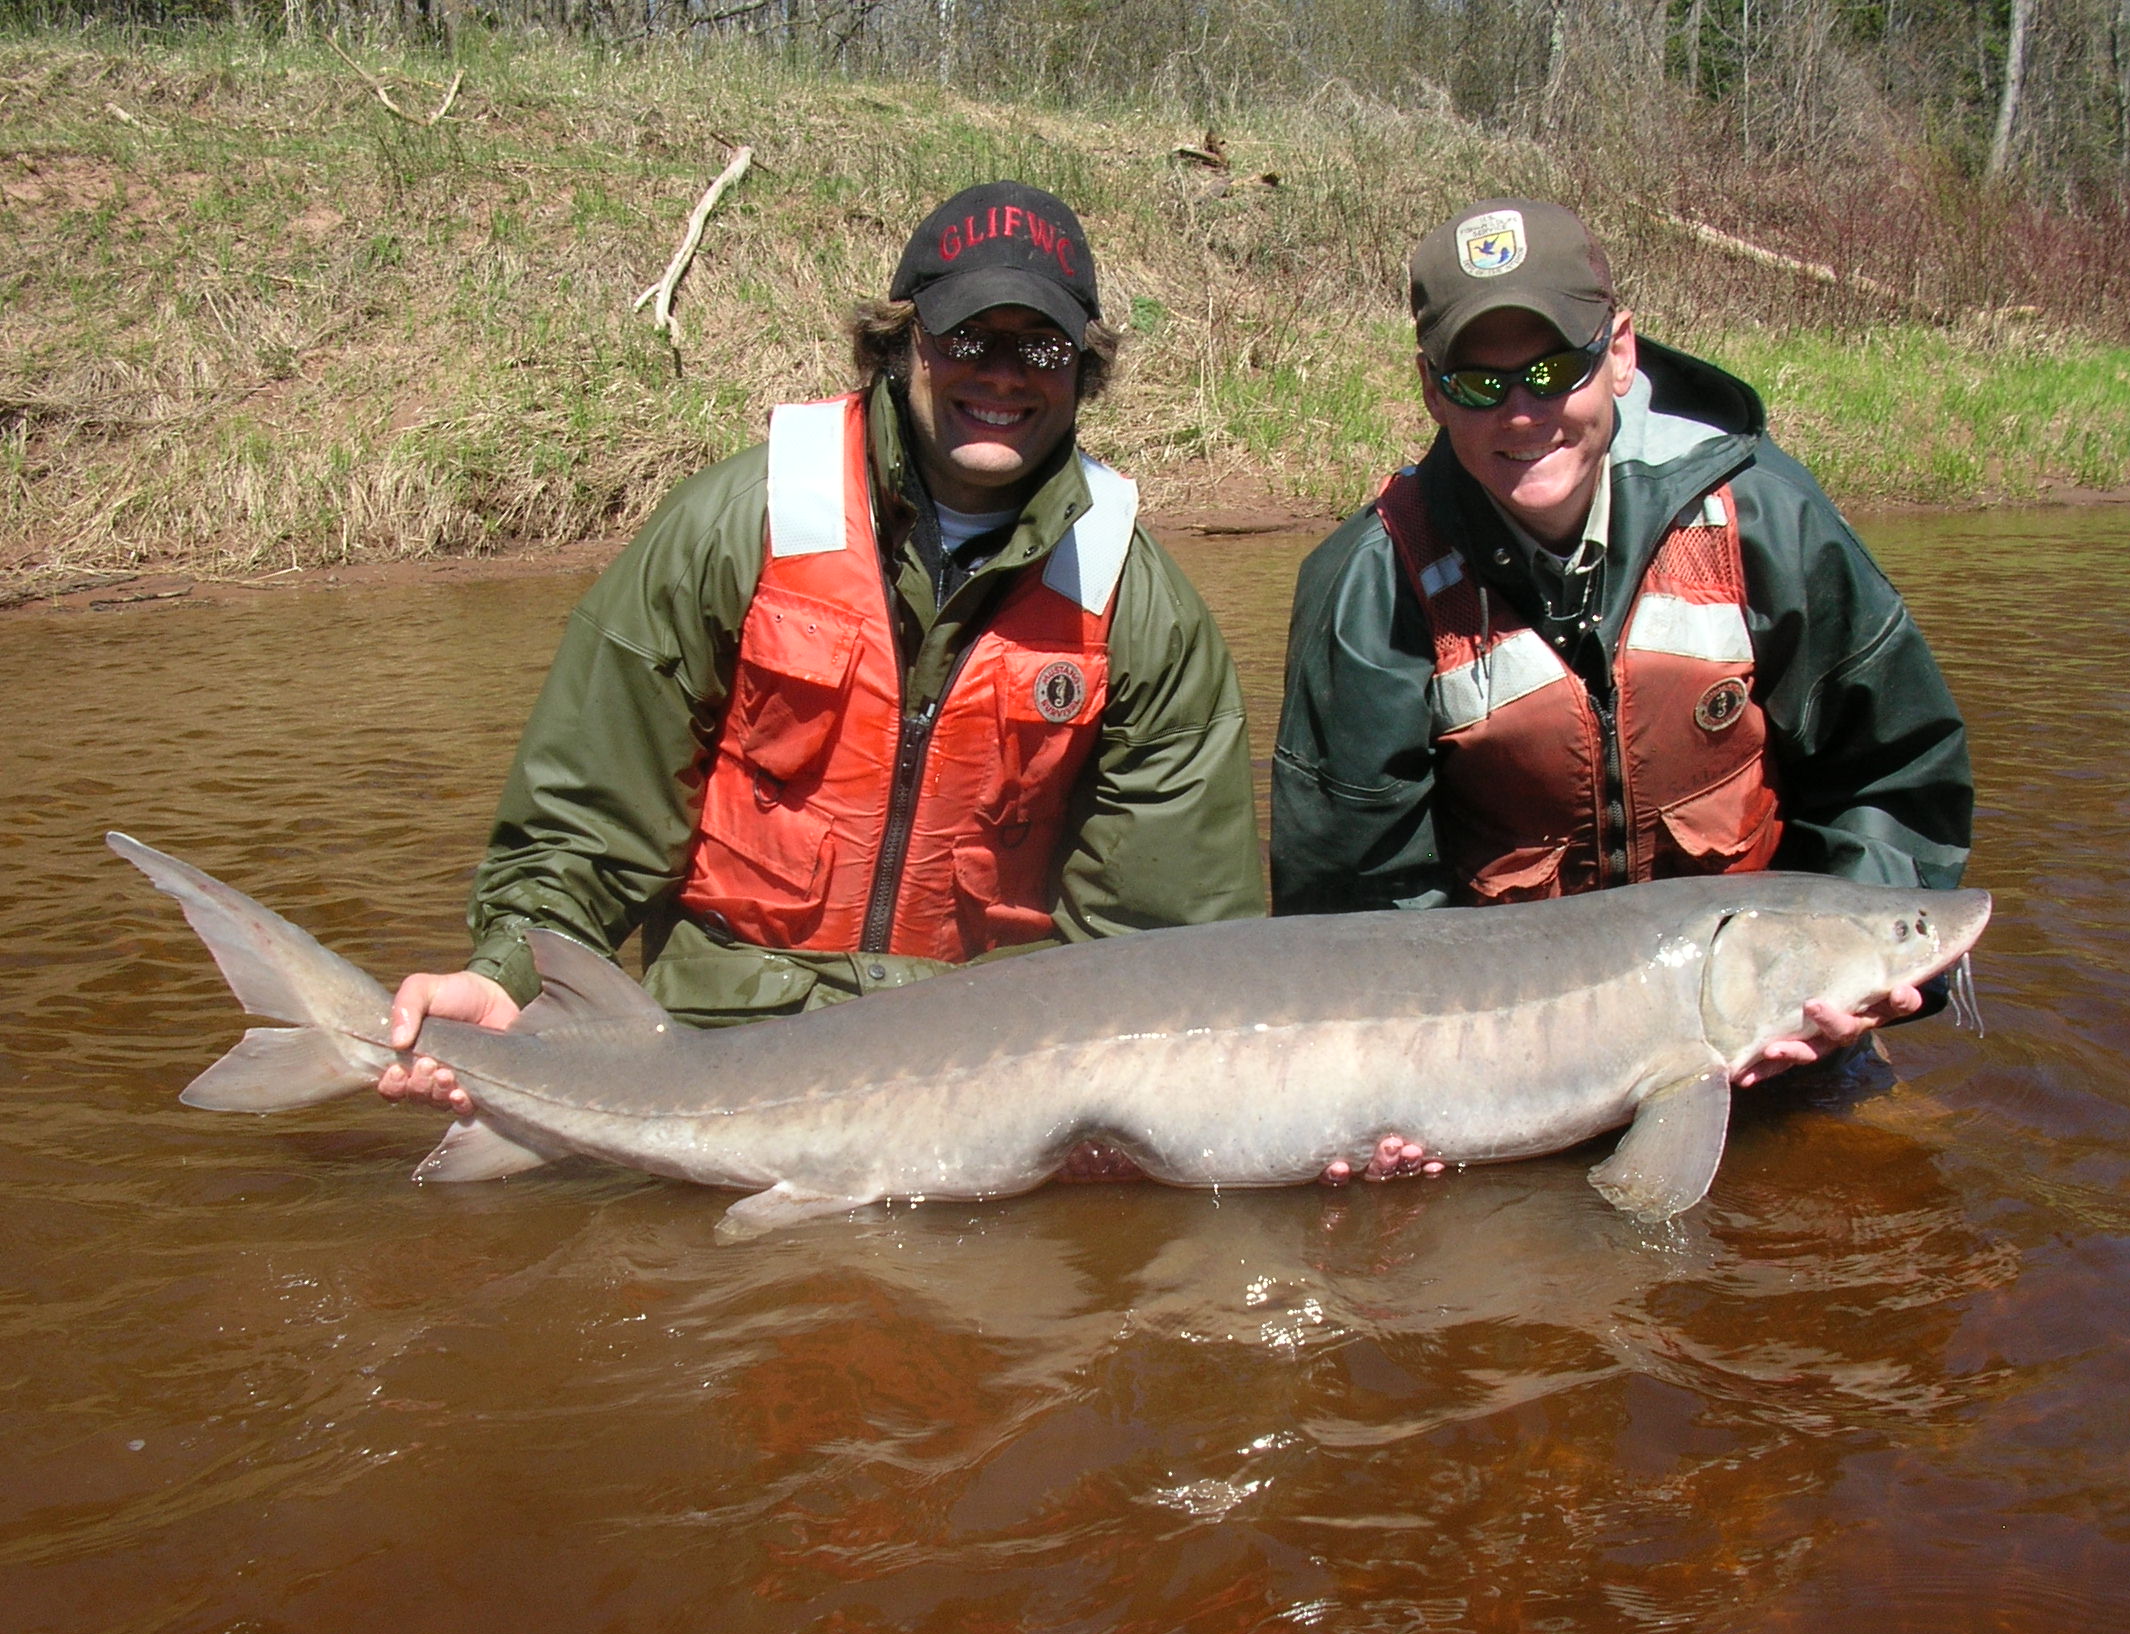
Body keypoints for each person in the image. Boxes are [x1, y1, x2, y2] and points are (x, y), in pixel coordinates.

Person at [383, 181, 1264, 1114]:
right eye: (969, 337)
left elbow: (1166, 945)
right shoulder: (730, 530)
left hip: (968, 1087)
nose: (1003, 374)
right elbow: (586, 827)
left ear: (1082, 370)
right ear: (899, 344)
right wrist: (512, 976)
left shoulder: (1141, 608)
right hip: (708, 1056)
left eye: (1040, 346)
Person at [1272, 198, 1972, 1089]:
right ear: (1428, 387)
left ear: (1621, 351)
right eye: (1477, 384)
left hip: (1778, 1019)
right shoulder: (1368, 586)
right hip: (1496, 1061)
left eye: (1554, 368)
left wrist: (1856, 980)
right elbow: (1353, 903)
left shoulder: (1764, 516)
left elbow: (1895, 779)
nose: (1522, 414)